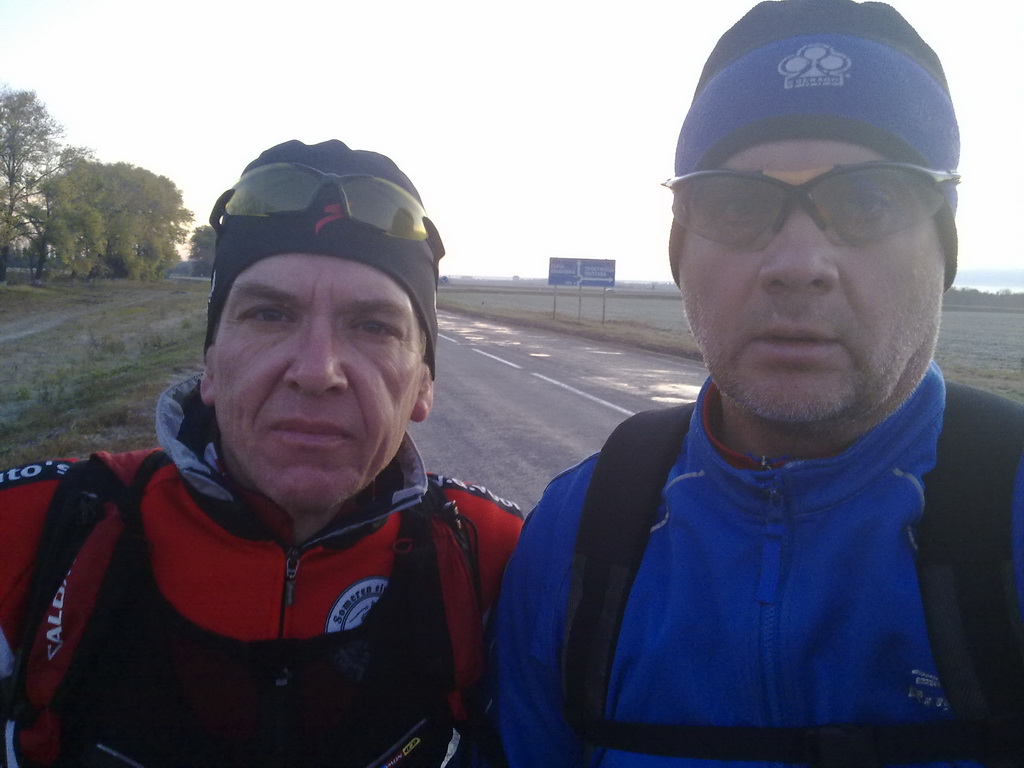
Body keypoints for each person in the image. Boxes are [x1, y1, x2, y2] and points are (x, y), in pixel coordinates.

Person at [493, 1, 1024, 766]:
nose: (797, 264)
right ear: (681, 252)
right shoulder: (576, 533)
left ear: (943, 248)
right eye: (737, 205)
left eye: (868, 201)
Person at [0, 139, 523, 767]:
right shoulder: (35, 530)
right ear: (210, 365)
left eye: (374, 326)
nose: (316, 371)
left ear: (424, 385)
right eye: (271, 314)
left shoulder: (495, 556)